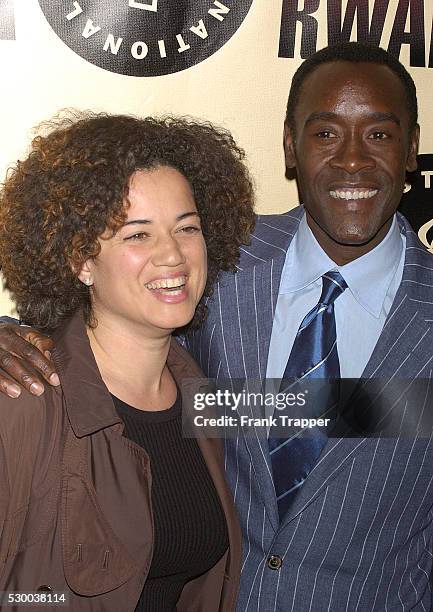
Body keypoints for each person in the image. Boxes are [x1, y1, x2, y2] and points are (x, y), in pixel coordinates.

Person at [1, 42, 433, 611]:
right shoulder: (224, 262)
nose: (352, 160)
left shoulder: (203, 270)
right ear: (289, 144)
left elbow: (294, 415)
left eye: (379, 134)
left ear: (412, 148)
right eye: (325, 133)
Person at [0, 112, 256, 610]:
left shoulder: (202, 392)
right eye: (137, 235)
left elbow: (363, 413)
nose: (173, 256)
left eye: (187, 228)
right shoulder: (23, 401)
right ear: (81, 260)